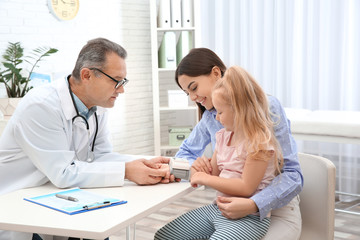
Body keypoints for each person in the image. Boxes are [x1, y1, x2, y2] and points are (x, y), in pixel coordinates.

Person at [0, 38, 173, 240]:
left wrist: (144, 164)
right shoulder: (41, 106)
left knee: (98, 233)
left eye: (123, 81)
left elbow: (99, 156)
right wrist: (127, 171)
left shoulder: (97, 105)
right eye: (116, 80)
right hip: (17, 204)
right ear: (87, 75)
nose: (121, 89)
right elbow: (63, 172)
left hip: (56, 197)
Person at [170, 48, 303, 239]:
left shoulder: (268, 107)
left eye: (194, 87)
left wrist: (255, 203)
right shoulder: (211, 118)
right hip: (228, 207)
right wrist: (196, 165)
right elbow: (185, 154)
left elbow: (293, 175)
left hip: (275, 209)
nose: (192, 98)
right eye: (187, 93)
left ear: (216, 73)